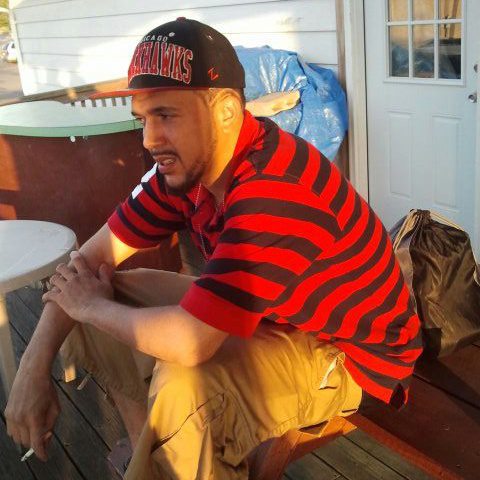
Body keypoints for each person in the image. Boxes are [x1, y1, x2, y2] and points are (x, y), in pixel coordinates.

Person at [5, 18, 423, 479]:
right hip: (273, 316)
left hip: (350, 352)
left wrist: (89, 307)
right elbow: (89, 262)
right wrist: (31, 367)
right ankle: (149, 454)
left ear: (225, 110)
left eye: (166, 115)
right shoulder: (187, 167)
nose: (148, 139)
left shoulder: (275, 186)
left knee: (186, 387)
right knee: (104, 291)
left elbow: (191, 342)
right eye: (143, 119)